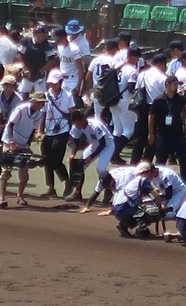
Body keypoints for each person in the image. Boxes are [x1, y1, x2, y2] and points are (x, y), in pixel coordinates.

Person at [0, 92, 46, 207]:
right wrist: (11, 141)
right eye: (41, 102)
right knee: (6, 170)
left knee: (24, 172)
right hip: (10, 141)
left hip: (23, 143)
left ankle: (20, 196)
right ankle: (1, 198)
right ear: (35, 101)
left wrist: (27, 146)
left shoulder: (39, 114)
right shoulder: (21, 109)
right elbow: (10, 125)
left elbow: (33, 130)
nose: (43, 105)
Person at [39, 69, 75, 199]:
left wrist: (73, 132)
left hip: (63, 130)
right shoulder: (46, 95)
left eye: (55, 83)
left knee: (55, 158)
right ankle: (51, 188)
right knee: (46, 159)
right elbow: (44, 113)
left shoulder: (68, 96)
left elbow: (73, 113)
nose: (52, 85)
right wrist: (40, 130)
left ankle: (67, 181)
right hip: (49, 130)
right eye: (50, 83)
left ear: (60, 82)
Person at [149, 75, 186, 178]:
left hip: (177, 132)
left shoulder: (180, 99)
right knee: (161, 158)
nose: (176, 87)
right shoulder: (159, 100)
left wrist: (184, 124)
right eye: (174, 84)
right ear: (167, 85)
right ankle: (158, 180)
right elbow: (151, 116)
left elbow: (183, 111)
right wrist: (151, 133)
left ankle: (185, 180)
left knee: (184, 158)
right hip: (163, 133)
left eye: (177, 85)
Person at [68, 111, 115, 201]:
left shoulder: (95, 125)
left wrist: (91, 157)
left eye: (77, 122)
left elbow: (102, 143)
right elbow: (75, 141)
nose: (76, 125)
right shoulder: (76, 126)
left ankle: (108, 191)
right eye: (74, 123)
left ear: (83, 120)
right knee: (79, 165)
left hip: (107, 145)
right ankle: (77, 193)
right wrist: (72, 154)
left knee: (100, 169)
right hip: (94, 144)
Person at [111, 46, 139, 164]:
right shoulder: (132, 70)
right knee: (128, 130)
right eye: (137, 57)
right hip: (125, 101)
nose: (138, 60)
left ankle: (113, 154)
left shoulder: (117, 66)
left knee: (117, 130)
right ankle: (115, 154)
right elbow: (132, 88)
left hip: (112, 100)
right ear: (132, 56)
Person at [111, 163, 156, 237]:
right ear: (146, 172)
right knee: (152, 210)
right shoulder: (143, 179)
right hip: (123, 209)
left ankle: (124, 224)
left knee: (142, 208)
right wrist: (161, 206)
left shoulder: (135, 180)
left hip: (118, 209)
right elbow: (155, 194)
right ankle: (142, 231)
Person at [17, 25, 56, 98]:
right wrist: (25, 69)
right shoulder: (26, 42)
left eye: (43, 36)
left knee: (41, 95)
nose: (41, 38)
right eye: (39, 36)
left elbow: (51, 60)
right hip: (27, 74)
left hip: (39, 76)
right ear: (34, 35)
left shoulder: (47, 45)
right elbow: (20, 55)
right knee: (22, 95)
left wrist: (40, 71)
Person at [85, 38, 117, 121]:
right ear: (114, 49)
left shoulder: (95, 60)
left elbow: (87, 77)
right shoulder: (113, 61)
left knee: (97, 117)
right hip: (109, 93)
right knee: (112, 117)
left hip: (98, 91)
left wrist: (94, 86)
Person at [56, 26, 84, 99]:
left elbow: (81, 69)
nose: (56, 41)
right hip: (64, 80)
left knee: (72, 104)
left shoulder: (74, 49)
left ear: (62, 37)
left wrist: (78, 85)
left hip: (73, 80)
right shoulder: (60, 47)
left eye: (57, 39)